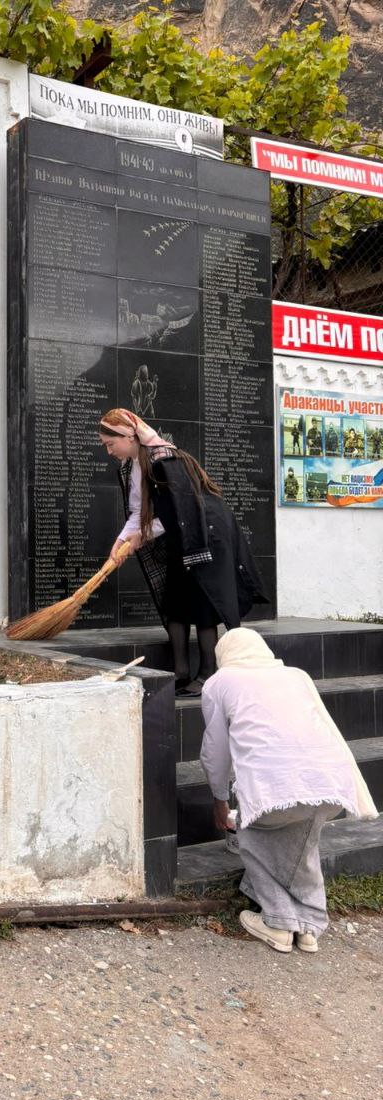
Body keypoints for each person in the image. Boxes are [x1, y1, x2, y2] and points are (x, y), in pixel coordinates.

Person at [200, 628, 377, 953]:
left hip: (274, 787)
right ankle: (308, 926)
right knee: (302, 844)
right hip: (328, 785)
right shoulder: (297, 676)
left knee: (253, 841)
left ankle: (279, 924)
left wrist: (219, 802)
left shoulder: (218, 684)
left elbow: (216, 753)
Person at [99, 408, 266, 695]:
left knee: (202, 604)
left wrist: (141, 536)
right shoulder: (134, 465)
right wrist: (121, 540)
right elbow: (140, 510)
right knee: (175, 599)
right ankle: (180, 672)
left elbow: (181, 510)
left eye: (110, 444)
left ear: (129, 436)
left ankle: (207, 675)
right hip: (180, 532)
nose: (109, 450)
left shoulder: (164, 460)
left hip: (205, 531)